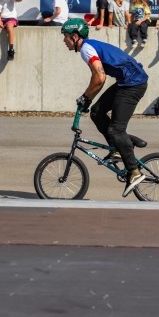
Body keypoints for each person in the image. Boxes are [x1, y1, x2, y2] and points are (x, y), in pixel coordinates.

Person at [61, 18, 149, 197]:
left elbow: (99, 77)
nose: (64, 40)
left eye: (65, 37)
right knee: (97, 112)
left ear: (75, 36)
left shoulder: (86, 48)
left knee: (116, 130)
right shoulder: (88, 46)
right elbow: (99, 78)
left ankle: (134, 171)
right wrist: (88, 101)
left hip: (133, 83)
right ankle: (117, 148)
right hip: (127, 81)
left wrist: (86, 98)